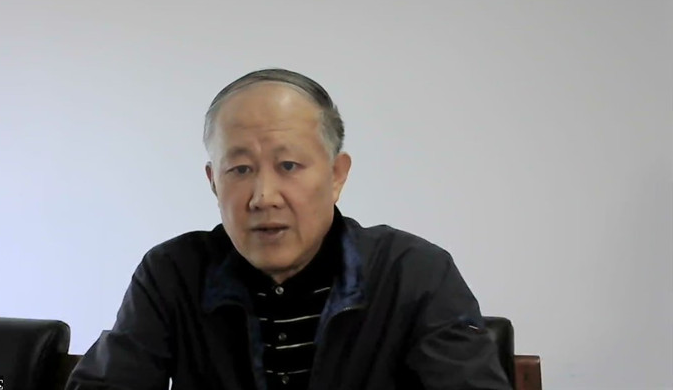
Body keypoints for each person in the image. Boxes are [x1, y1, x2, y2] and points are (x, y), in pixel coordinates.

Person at [66, 69, 511, 390]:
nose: (264, 196)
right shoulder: (172, 273)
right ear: (213, 182)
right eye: (240, 169)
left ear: (336, 175)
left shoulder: (413, 272)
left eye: (289, 165)